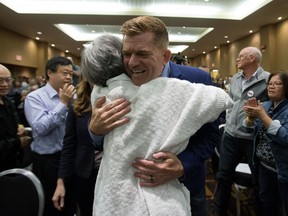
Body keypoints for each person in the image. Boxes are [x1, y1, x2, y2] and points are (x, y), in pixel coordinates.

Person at [86, 16, 229, 216]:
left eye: (142, 53)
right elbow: (109, 141)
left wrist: (182, 164)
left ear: (165, 56)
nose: (132, 63)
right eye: (126, 54)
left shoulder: (196, 80)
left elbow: (211, 136)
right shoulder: (117, 82)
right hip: (127, 196)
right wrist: (95, 131)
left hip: (184, 184)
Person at [213, 46, 270, 215]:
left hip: (253, 137)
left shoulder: (267, 79)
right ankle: (218, 212)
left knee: (259, 179)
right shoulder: (236, 78)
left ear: (252, 58)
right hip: (231, 134)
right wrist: (230, 120)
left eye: (241, 56)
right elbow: (231, 103)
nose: (237, 59)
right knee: (223, 176)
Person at [24, 56, 76, 216]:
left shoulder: (74, 96)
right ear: (49, 73)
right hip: (48, 162)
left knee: (69, 204)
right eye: (64, 73)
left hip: (69, 159)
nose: (68, 77)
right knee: (51, 207)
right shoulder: (35, 97)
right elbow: (39, 128)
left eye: (71, 74)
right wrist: (62, 104)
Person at [52, 76, 102, 216]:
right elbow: (69, 146)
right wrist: (61, 182)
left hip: (110, 174)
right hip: (84, 175)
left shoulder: (118, 102)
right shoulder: (77, 106)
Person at [243, 71, 288, 216]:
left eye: (277, 84)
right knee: (267, 202)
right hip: (264, 166)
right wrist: (250, 117)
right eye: (269, 84)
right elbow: (250, 127)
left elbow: (285, 137)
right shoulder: (267, 105)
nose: (271, 87)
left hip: (282, 169)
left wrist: (262, 115)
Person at [0, 64, 32, 172]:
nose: (5, 84)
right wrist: (18, 142)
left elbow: (16, 121)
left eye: (8, 80)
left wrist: (20, 128)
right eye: (0, 81)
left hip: (13, 162)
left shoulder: (7, 101)